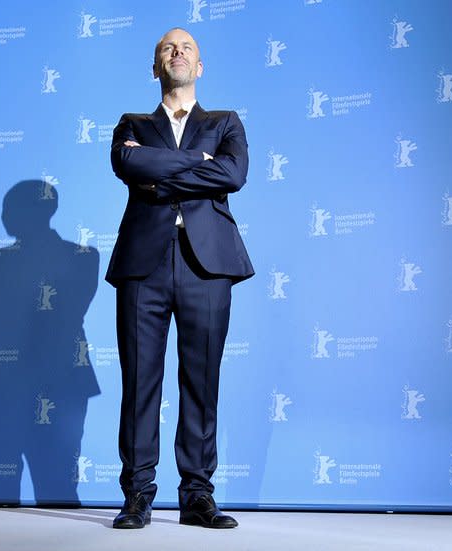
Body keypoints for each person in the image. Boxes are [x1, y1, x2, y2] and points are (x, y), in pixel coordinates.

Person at [106, 28, 254, 529]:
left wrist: (160, 171)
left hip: (206, 265)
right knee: (139, 383)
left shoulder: (224, 122)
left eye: (186, 48)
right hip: (143, 265)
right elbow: (128, 162)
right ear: (155, 68)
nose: (177, 53)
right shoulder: (132, 124)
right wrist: (198, 161)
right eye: (168, 48)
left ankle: (196, 497)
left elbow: (233, 175)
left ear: (200, 66)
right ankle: (137, 497)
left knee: (201, 381)